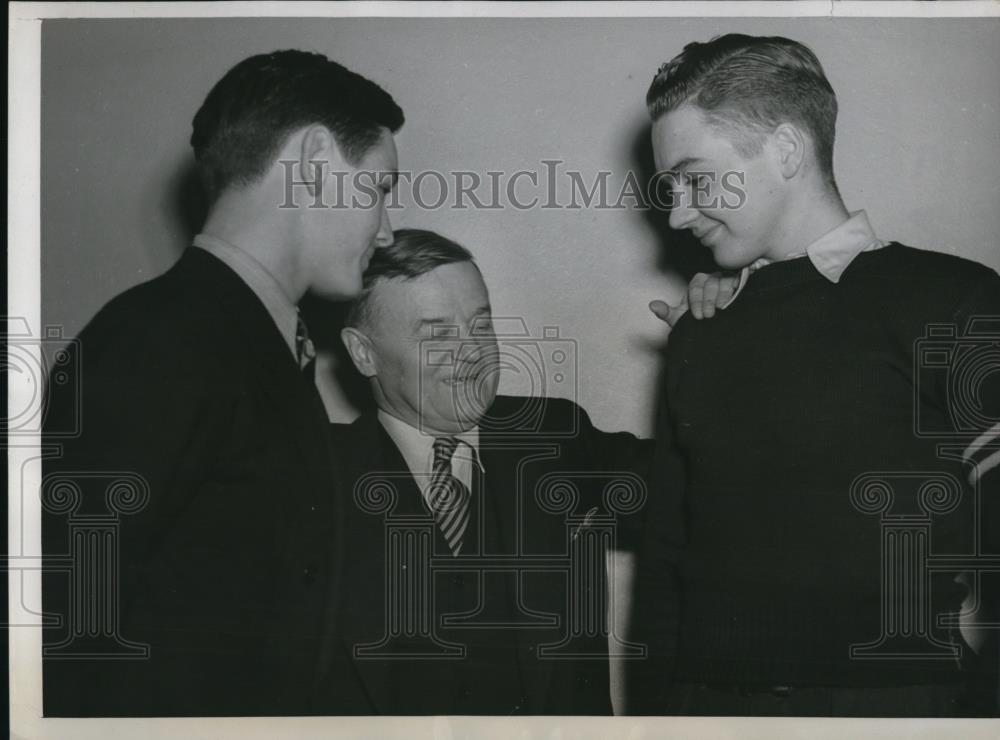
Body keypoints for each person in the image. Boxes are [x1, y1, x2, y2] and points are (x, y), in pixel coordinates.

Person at [630, 34, 1000, 716]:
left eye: (696, 178)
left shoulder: (956, 301)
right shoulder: (701, 328)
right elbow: (663, 563)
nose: (678, 213)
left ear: (787, 151)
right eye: (670, 187)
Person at [41, 49, 403, 716]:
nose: (386, 230)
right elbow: (63, 633)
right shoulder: (162, 339)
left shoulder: (238, 338)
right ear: (315, 163)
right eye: (380, 189)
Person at [322, 228, 651, 714]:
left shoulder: (554, 437)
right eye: (438, 334)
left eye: (481, 324)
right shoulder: (316, 476)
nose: (473, 353)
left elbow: (706, 491)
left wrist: (726, 334)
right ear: (363, 352)